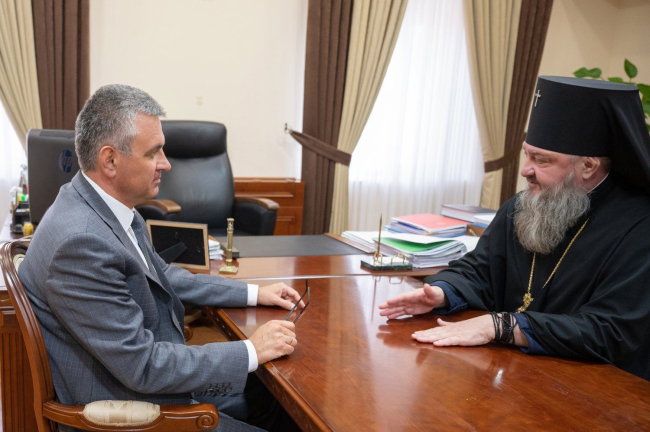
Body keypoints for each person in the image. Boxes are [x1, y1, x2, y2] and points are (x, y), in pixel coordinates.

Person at [19, 84, 304, 431]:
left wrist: (254, 293)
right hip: (131, 409)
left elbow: (162, 274)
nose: (166, 164)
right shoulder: (81, 243)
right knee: (276, 391)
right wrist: (250, 350)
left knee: (275, 399)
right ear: (110, 160)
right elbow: (143, 366)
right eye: (154, 153)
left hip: (148, 383)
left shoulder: (107, 208)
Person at [379, 76, 650, 381]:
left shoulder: (640, 228)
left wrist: (502, 326)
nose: (525, 170)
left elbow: (609, 331)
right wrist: (443, 293)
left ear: (588, 166)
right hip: (515, 375)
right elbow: (481, 270)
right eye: (527, 153)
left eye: (541, 160)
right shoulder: (524, 206)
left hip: (597, 389)